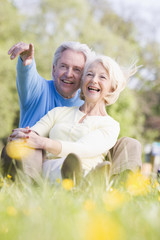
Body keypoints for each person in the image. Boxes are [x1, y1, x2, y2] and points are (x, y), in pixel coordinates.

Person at [1, 41, 142, 180]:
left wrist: (42, 141)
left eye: (77, 69)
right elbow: (28, 77)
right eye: (90, 74)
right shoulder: (55, 107)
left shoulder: (110, 125)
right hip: (41, 162)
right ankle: (82, 180)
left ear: (112, 88)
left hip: (82, 162)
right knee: (24, 144)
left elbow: (84, 148)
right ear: (54, 69)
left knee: (131, 144)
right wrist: (25, 136)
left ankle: (119, 185)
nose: (93, 80)